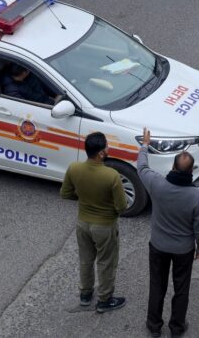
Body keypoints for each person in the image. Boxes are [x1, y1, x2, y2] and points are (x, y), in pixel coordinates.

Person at [137, 128, 199, 337]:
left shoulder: (157, 184)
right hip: (183, 250)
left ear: (173, 167)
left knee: (157, 285)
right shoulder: (196, 197)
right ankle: (177, 328)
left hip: (158, 246)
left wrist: (145, 145)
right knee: (181, 288)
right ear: (191, 172)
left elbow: (141, 167)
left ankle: (154, 325)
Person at [60, 132, 127, 313]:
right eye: (106, 146)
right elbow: (122, 207)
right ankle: (104, 300)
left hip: (83, 223)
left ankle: (85, 294)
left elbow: (65, 193)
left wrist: (84, 199)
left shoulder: (74, 168)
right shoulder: (111, 176)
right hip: (104, 226)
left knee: (85, 260)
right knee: (106, 262)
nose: (108, 148)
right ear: (100, 154)